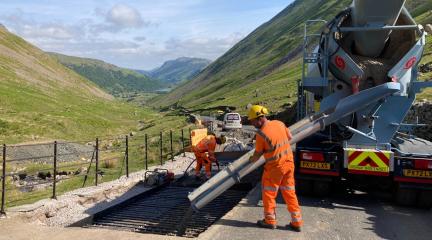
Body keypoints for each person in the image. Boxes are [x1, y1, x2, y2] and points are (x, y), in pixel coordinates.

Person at [248, 105, 303, 232]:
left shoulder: (261, 134)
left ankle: (270, 221)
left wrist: (250, 160)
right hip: (289, 163)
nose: (252, 124)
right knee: (290, 193)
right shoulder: (279, 123)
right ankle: (297, 222)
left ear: (259, 118)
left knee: (268, 193)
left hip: (275, 167)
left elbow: (256, 156)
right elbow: (289, 138)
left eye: (252, 121)